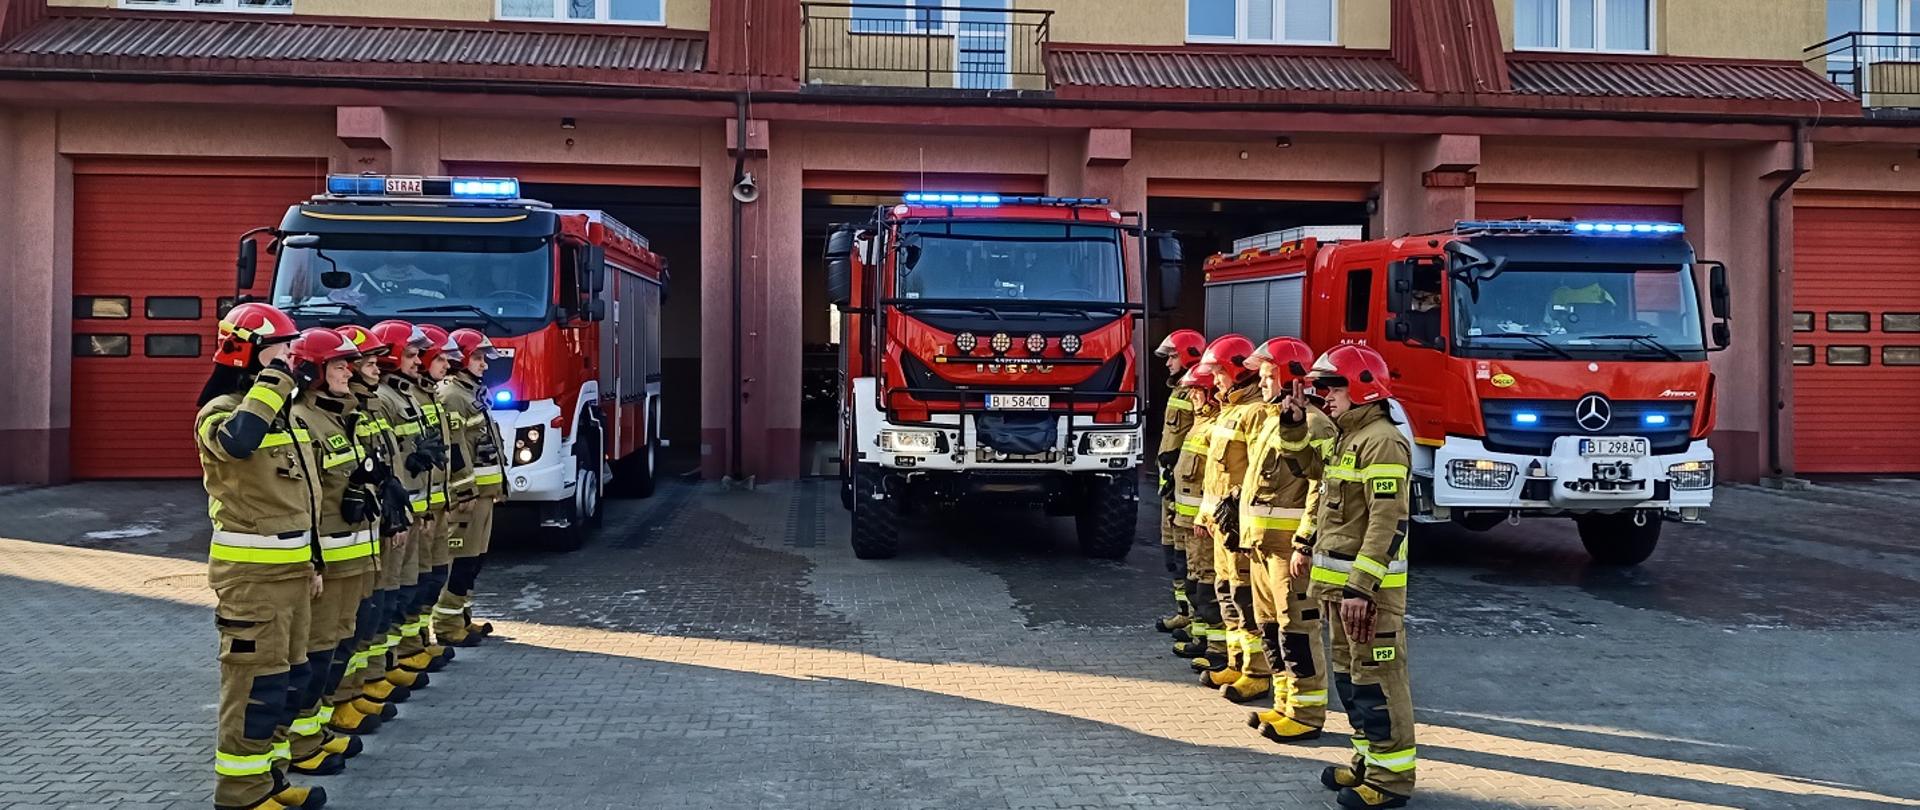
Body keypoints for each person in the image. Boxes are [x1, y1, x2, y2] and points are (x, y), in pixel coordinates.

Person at [193, 302, 328, 810]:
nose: (292, 357)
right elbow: (240, 442)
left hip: (290, 576)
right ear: (248, 355)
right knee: (254, 690)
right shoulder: (221, 412)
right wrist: (271, 382)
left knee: (286, 684)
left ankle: (268, 778)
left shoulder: (284, 413)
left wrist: (313, 562)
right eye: (281, 349)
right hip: (251, 579)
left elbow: (304, 500)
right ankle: (240, 794)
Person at [1285, 345, 1416, 809]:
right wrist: (1295, 424)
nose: (1325, 395)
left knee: (1380, 681)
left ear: (1362, 386)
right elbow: (1306, 474)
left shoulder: (1382, 440)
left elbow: (1387, 523)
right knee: (1354, 682)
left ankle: (1390, 782)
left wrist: (1362, 587)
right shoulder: (1349, 437)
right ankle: (1365, 763)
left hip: (1369, 596)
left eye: (1332, 386)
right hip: (1341, 592)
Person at [283, 329, 387, 773]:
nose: (349, 371)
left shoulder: (342, 415)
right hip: (329, 556)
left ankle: (319, 728)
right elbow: (303, 495)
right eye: (340, 365)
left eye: (349, 364)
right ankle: (301, 742)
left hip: (356, 551)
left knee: (343, 641)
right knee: (319, 648)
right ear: (315, 373)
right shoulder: (304, 419)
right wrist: (313, 561)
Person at [1240, 337, 1337, 744]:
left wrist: (1305, 542)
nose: (1261, 384)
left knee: (1298, 630)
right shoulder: (1274, 420)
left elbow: (1322, 488)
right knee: (1272, 628)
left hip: (1289, 550)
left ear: (1288, 377)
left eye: (1267, 376)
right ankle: (1283, 702)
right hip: (1263, 546)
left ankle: (1307, 712)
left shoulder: (1315, 425)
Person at [331, 324, 420, 712]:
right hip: (353, 533)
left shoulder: (367, 404)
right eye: (361, 362)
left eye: (366, 362)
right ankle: (351, 691)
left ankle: (364, 682)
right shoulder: (352, 408)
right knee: (352, 619)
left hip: (374, 527)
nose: (364, 369)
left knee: (371, 611)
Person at [1189, 335, 1273, 703]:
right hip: (1222, 524)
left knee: (1244, 596)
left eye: (1220, 372)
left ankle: (1257, 672)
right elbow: (1217, 473)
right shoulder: (1229, 409)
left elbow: (1258, 472)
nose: (1216, 380)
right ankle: (1237, 663)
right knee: (1227, 592)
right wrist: (1207, 515)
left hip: (1240, 524)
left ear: (1237, 371)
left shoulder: (1254, 412)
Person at [373, 322, 455, 684]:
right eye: (411, 354)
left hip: (419, 510)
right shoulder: (388, 399)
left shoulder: (407, 395)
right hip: (403, 516)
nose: (418, 362)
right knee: (394, 591)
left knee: (416, 583)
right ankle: (393, 661)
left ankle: (409, 647)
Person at [432, 329, 506, 647]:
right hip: (470, 498)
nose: (484, 365)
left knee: (474, 559)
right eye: (477, 358)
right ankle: (447, 625)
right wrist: (464, 491)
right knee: (460, 559)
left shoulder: (472, 392)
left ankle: (462, 617)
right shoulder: (451, 396)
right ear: (461, 358)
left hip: (484, 495)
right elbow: (456, 448)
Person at [1151, 329, 1208, 635]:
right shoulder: (1180, 390)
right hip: (1171, 486)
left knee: (1188, 557)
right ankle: (1183, 611)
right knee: (1172, 555)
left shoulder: (1196, 392)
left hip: (1185, 488)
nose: (1168, 363)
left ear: (1189, 356)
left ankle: (1195, 618)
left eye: (1173, 356)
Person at [1166, 365, 1221, 663]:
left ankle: (1213, 645)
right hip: (1188, 518)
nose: (1193, 397)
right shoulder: (1201, 423)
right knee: (1194, 577)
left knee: (1206, 581)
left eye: (1198, 392)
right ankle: (1201, 636)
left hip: (1203, 522)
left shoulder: (1214, 426)